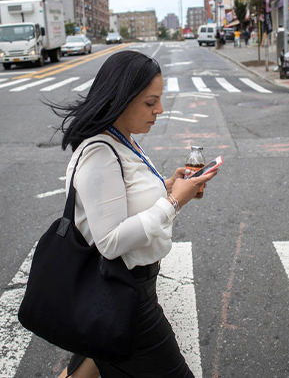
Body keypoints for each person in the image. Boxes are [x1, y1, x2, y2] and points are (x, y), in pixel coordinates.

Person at [49, 50, 218, 378]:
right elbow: (110, 241)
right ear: (121, 99)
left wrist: (171, 186)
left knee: (86, 371)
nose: (160, 110)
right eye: (150, 102)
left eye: (160, 100)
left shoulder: (122, 139)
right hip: (124, 294)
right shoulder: (100, 153)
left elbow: (124, 201)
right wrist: (173, 202)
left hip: (125, 290)